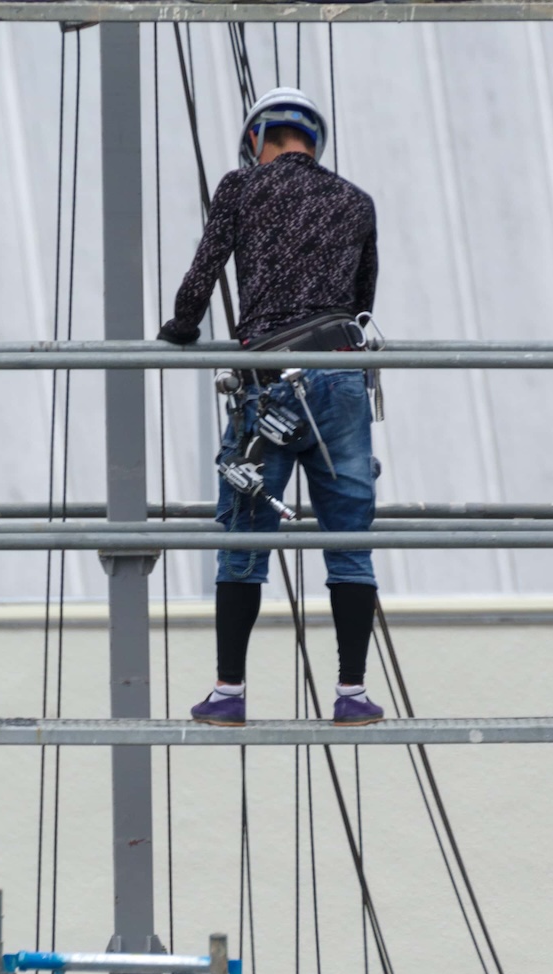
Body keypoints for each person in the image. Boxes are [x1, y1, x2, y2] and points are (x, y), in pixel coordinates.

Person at [156, 88, 385, 727]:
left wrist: (180, 329)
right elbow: (364, 301)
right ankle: (352, 695)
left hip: (271, 379)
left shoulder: (242, 186)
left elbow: (204, 273)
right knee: (349, 541)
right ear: (314, 141)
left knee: (245, 536)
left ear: (259, 140)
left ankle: (228, 694)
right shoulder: (356, 201)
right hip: (340, 378)